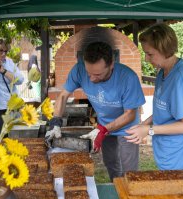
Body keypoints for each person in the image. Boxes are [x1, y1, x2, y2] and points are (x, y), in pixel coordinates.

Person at [46, 41, 145, 181]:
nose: (91, 79)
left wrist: (103, 130)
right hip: (103, 125)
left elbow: (130, 114)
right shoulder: (79, 69)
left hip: (128, 128)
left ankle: (131, 197)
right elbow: (63, 96)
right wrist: (55, 121)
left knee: (129, 171)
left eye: (98, 74)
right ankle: (116, 190)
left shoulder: (128, 78)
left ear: (111, 65)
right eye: (89, 73)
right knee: (111, 164)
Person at [125, 23, 183, 170]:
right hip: (167, 155)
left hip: (182, 160)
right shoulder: (163, 72)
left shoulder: (182, 80)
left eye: (150, 54)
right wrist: (144, 125)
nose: (147, 59)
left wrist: (149, 130)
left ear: (165, 50)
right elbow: (164, 110)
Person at [0, 38, 24, 140]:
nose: (3, 53)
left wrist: (3, 71)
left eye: (5, 51)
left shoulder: (10, 62)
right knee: (1, 135)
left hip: (12, 105)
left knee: (13, 134)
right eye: (0, 50)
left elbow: (20, 80)